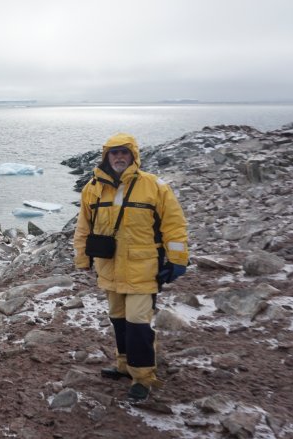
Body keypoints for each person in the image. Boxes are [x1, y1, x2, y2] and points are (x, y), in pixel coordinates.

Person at [73, 133, 189, 402]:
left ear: (133, 155)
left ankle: (143, 378)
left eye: (124, 152)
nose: (119, 157)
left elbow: (174, 225)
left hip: (142, 268)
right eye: (114, 153)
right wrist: (82, 259)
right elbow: (83, 227)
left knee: (138, 323)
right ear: (106, 157)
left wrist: (177, 259)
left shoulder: (153, 186)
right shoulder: (92, 188)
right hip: (109, 267)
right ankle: (124, 365)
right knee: (118, 319)